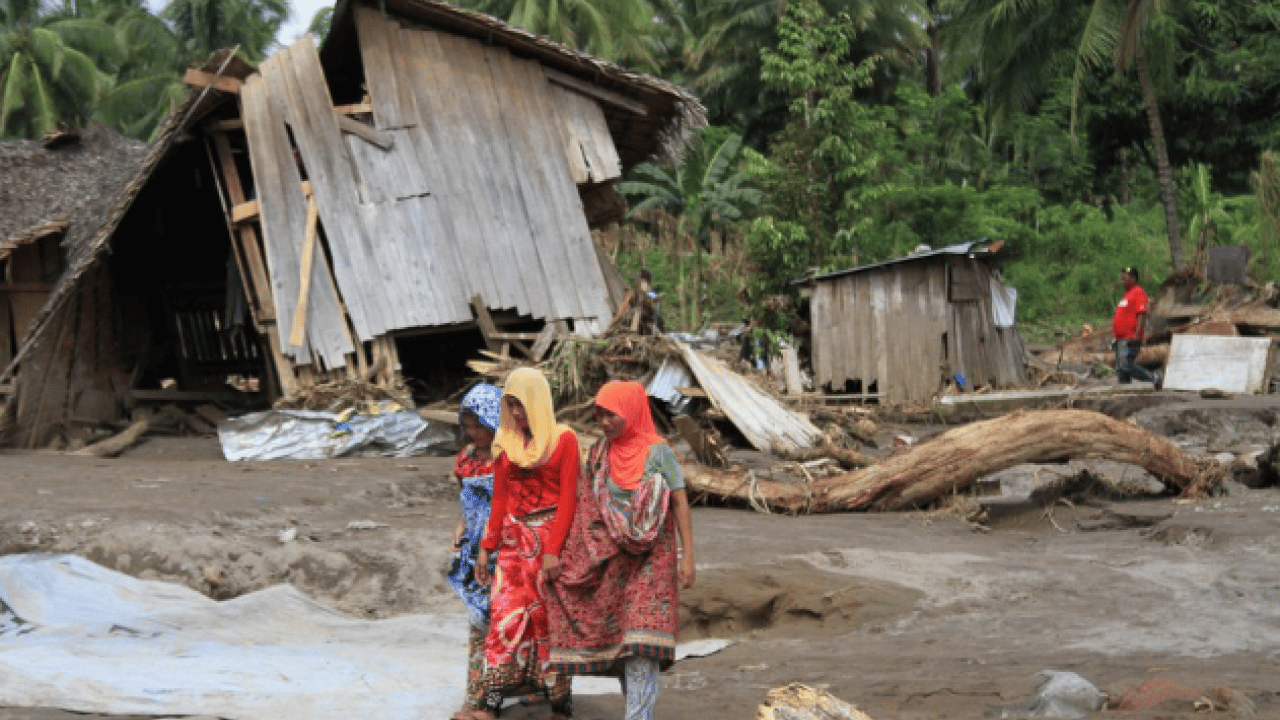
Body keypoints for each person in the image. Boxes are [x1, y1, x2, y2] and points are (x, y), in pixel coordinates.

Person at [546, 380, 696, 720]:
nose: (603, 422)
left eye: (610, 414)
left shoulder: (660, 452)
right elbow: (587, 509)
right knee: (624, 645)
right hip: (613, 561)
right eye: (599, 415)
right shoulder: (599, 455)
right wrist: (564, 556)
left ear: (631, 411)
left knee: (643, 643)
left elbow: (680, 503)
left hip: (653, 560)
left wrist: (687, 557)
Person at [470, 368, 579, 720]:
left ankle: (559, 700)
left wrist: (553, 551)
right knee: (503, 616)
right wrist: (486, 547)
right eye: (511, 405)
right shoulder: (507, 443)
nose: (516, 413)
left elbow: (569, 500)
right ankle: (490, 701)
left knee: (547, 621)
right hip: (512, 543)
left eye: (521, 405)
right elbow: (500, 499)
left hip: (548, 543)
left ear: (538, 401)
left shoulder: (564, 440)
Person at [447, 382, 502, 720]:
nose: (473, 432)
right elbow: (465, 505)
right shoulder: (465, 460)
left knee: (505, 625)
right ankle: (476, 699)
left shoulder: (510, 458)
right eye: (468, 425)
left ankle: (492, 699)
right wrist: (460, 532)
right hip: (474, 555)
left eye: (479, 425)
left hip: (505, 551)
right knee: (479, 623)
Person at [1113, 267, 1161, 387]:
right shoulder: (1126, 295)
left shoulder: (1138, 292)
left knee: (1124, 365)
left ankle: (1154, 378)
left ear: (1133, 278)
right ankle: (1124, 390)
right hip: (1121, 339)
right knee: (1121, 370)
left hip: (1130, 338)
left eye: (1125, 278)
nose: (1123, 281)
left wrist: (1137, 335)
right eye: (1122, 278)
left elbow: (1142, 314)